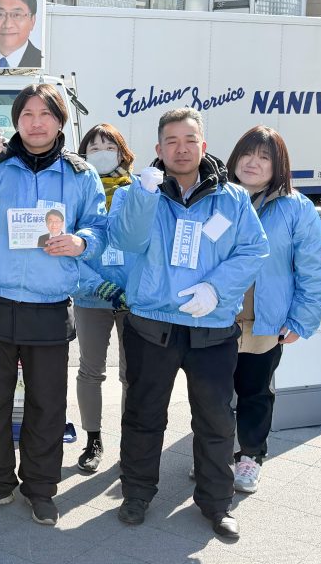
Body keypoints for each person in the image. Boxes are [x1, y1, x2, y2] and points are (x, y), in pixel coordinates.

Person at [109, 107, 269, 540]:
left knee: (216, 420)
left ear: (204, 145)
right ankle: (136, 494)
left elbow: (253, 250)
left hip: (212, 327)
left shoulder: (232, 198)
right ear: (158, 148)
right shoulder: (139, 191)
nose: (181, 149)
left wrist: (216, 289)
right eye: (172, 141)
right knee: (143, 415)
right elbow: (125, 240)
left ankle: (217, 503)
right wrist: (143, 197)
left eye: (190, 140)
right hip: (151, 323)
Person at [0, 82, 106, 524]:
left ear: (60, 121)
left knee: (47, 405)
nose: (36, 123)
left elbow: (100, 228)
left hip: (49, 303)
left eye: (46, 114)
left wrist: (81, 242)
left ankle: (40, 487)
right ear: (15, 120)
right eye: (27, 115)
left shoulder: (80, 174)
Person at [226, 126, 321, 494]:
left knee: (254, 393)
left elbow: (311, 267)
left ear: (278, 165)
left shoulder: (296, 208)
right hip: (217, 319)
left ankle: (250, 456)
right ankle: (214, 454)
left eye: (264, 157)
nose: (253, 163)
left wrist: (302, 318)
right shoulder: (217, 198)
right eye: (247, 154)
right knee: (212, 395)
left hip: (264, 322)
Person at [72, 123, 136, 474]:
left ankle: (131, 442)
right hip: (91, 295)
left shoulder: (138, 190)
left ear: (122, 152)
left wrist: (136, 289)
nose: (102, 153)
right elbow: (67, 246)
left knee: (132, 374)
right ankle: (93, 439)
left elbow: (148, 245)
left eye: (109, 147)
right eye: (94, 148)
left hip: (132, 299)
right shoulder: (78, 190)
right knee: (91, 370)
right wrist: (97, 285)